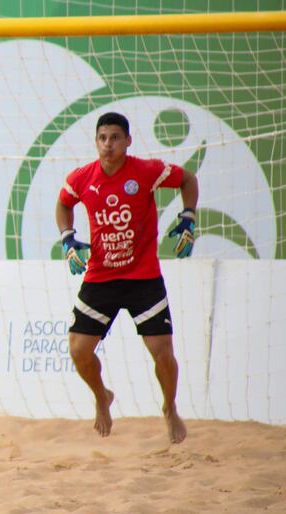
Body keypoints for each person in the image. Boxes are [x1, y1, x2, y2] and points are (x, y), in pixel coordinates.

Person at [55, 112, 198, 444]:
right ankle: (102, 397)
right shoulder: (81, 178)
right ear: (96, 142)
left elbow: (188, 179)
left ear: (128, 141)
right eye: (102, 138)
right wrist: (67, 238)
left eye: (115, 137)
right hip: (101, 276)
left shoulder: (145, 172)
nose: (108, 145)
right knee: (78, 350)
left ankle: (170, 407)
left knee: (162, 352)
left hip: (142, 277)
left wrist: (189, 216)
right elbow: (63, 205)